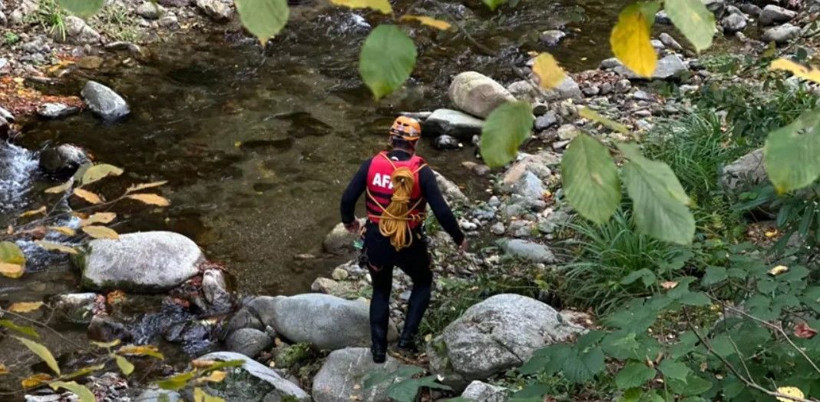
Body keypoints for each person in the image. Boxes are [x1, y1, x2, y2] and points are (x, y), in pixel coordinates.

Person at [339, 116, 467, 363]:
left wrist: (349, 222)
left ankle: (378, 351)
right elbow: (441, 211)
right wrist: (458, 238)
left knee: (381, 290)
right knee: (422, 282)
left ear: (391, 139)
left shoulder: (372, 164)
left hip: (377, 238)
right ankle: (407, 338)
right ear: (415, 143)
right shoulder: (421, 171)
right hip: (410, 240)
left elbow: (347, 199)